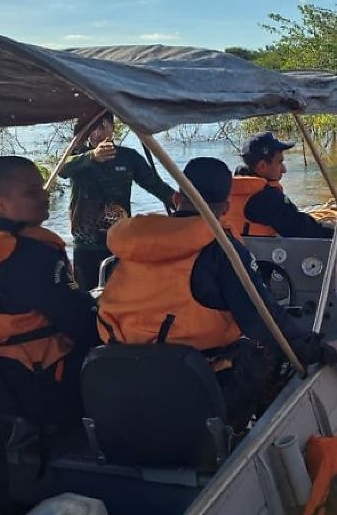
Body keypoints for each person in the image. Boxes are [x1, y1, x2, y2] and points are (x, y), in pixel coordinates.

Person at [98, 157, 337, 428]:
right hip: (194, 383)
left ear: (177, 198)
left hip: (122, 373)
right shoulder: (222, 251)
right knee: (263, 355)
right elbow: (262, 321)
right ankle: (243, 437)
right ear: (225, 206)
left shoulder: (130, 248)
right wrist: (316, 348)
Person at [0, 156, 100, 432]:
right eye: (32, 192)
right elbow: (82, 323)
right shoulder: (31, 255)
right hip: (42, 389)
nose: (45, 195)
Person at [57, 111, 175, 291]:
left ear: (113, 128)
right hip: (85, 244)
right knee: (86, 297)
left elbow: (156, 186)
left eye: (102, 127)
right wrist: (92, 157)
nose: (97, 134)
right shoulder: (78, 155)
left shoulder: (128, 157)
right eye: (91, 129)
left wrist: (183, 204)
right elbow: (61, 170)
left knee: (121, 293)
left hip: (119, 241)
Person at [223, 132, 333, 239]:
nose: (284, 170)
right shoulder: (268, 200)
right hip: (262, 256)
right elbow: (303, 229)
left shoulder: (226, 191)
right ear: (262, 166)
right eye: (280, 162)